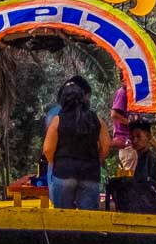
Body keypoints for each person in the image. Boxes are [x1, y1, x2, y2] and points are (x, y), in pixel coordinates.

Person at [43, 81, 110, 210]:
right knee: (88, 217)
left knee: (63, 218)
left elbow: (47, 149)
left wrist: (56, 163)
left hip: (64, 173)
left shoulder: (58, 120)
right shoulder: (97, 119)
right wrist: (97, 161)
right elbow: (106, 146)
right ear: (84, 98)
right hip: (90, 173)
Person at [111, 83, 137, 171]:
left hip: (130, 143)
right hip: (125, 142)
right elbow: (114, 115)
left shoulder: (131, 94)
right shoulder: (122, 93)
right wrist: (130, 123)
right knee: (128, 177)